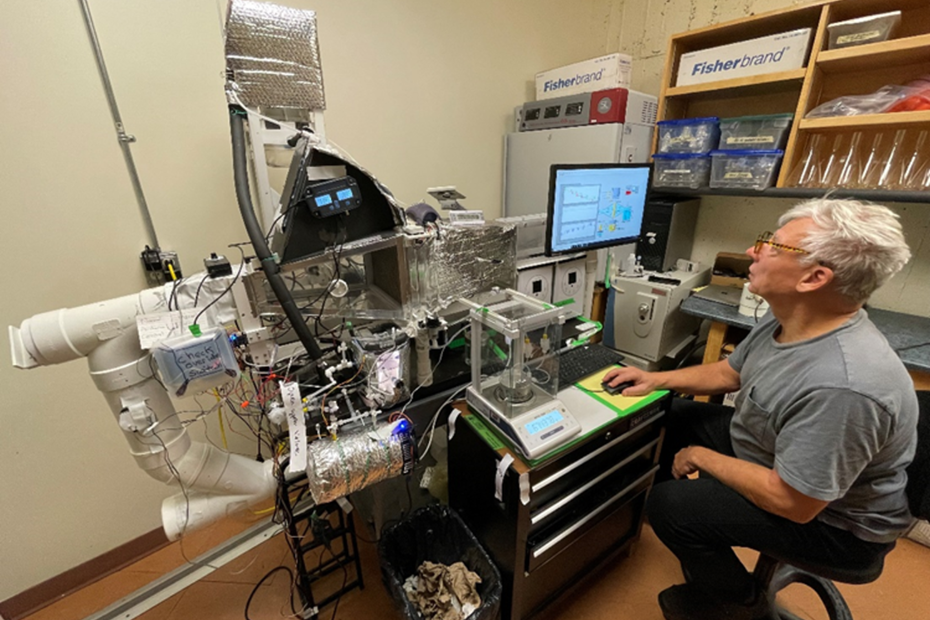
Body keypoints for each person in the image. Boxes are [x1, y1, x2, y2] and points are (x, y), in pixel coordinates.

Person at [602, 198, 918, 620]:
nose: (755, 251)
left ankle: (740, 603)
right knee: (671, 416)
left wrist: (701, 457)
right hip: (778, 455)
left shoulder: (845, 385)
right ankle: (654, 525)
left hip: (835, 524)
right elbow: (730, 373)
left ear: (815, 278)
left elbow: (794, 502)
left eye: (774, 245)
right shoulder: (793, 316)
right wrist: (655, 380)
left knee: (671, 506)